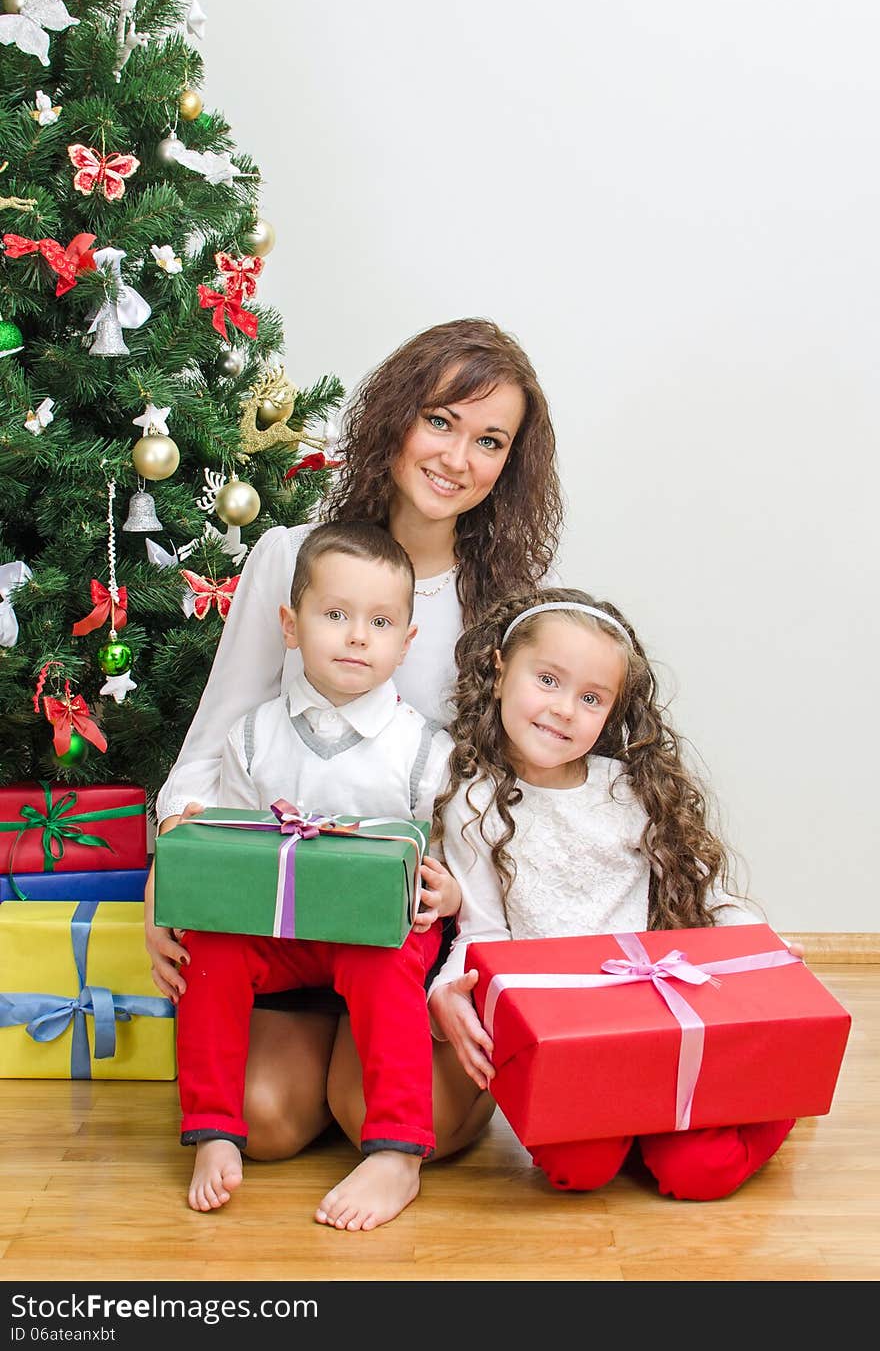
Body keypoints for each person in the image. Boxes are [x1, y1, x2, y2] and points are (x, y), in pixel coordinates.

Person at [146, 316, 563, 1167]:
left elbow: (511, 790)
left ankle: (376, 1082)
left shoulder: (510, 605)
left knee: (384, 1108)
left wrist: (463, 908)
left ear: (510, 465)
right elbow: (217, 738)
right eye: (440, 421)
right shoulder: (291, 555)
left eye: (489, 440)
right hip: (286, 906)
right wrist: (174, 867)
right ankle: (315, 1060)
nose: (455, 457)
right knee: (259, 1122)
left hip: (412, 924)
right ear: (397, 419)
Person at [428, 588, 798, 1201]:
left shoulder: (629, 792)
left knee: (697, 1175)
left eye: (591, 698)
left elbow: (704, 893)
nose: (564, 710)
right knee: (579, 1170)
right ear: (498, 673)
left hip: (652, 1015)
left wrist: (766, 954)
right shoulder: (475, 805)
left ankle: (774, 1101)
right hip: (566, 1031)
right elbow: (483, 929)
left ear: (612, 711)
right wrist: (447, 990)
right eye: (547, 679)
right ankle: (640, 1128)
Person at [173, 522, 460, 1228]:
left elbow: (454, 849)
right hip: (283, 925)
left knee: (384, 954)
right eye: (335, 615)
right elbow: (231, 846)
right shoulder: (254, 735)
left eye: (380, 622)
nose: (357, 636)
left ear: (406, 642)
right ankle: (213, 1127)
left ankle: (397, 1152)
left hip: (378, 932)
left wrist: (448, 887)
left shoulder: (422, 749)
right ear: (291, 625)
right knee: (214, 946)